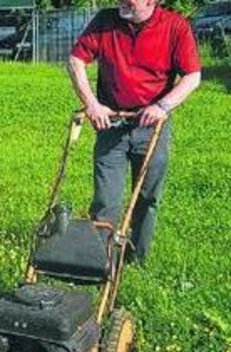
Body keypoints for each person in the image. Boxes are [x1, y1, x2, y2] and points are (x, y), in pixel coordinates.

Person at [68, 0, 201, 262]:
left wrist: (163, 106)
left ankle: (136, 259)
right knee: (106, 200)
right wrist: (92, 105)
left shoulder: (175, 27)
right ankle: (101, 260)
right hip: (112, 124)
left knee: (147, 198)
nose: (120, 2)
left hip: (152, 125)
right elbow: (76, 60)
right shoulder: (105, 21)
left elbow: (192, 76)